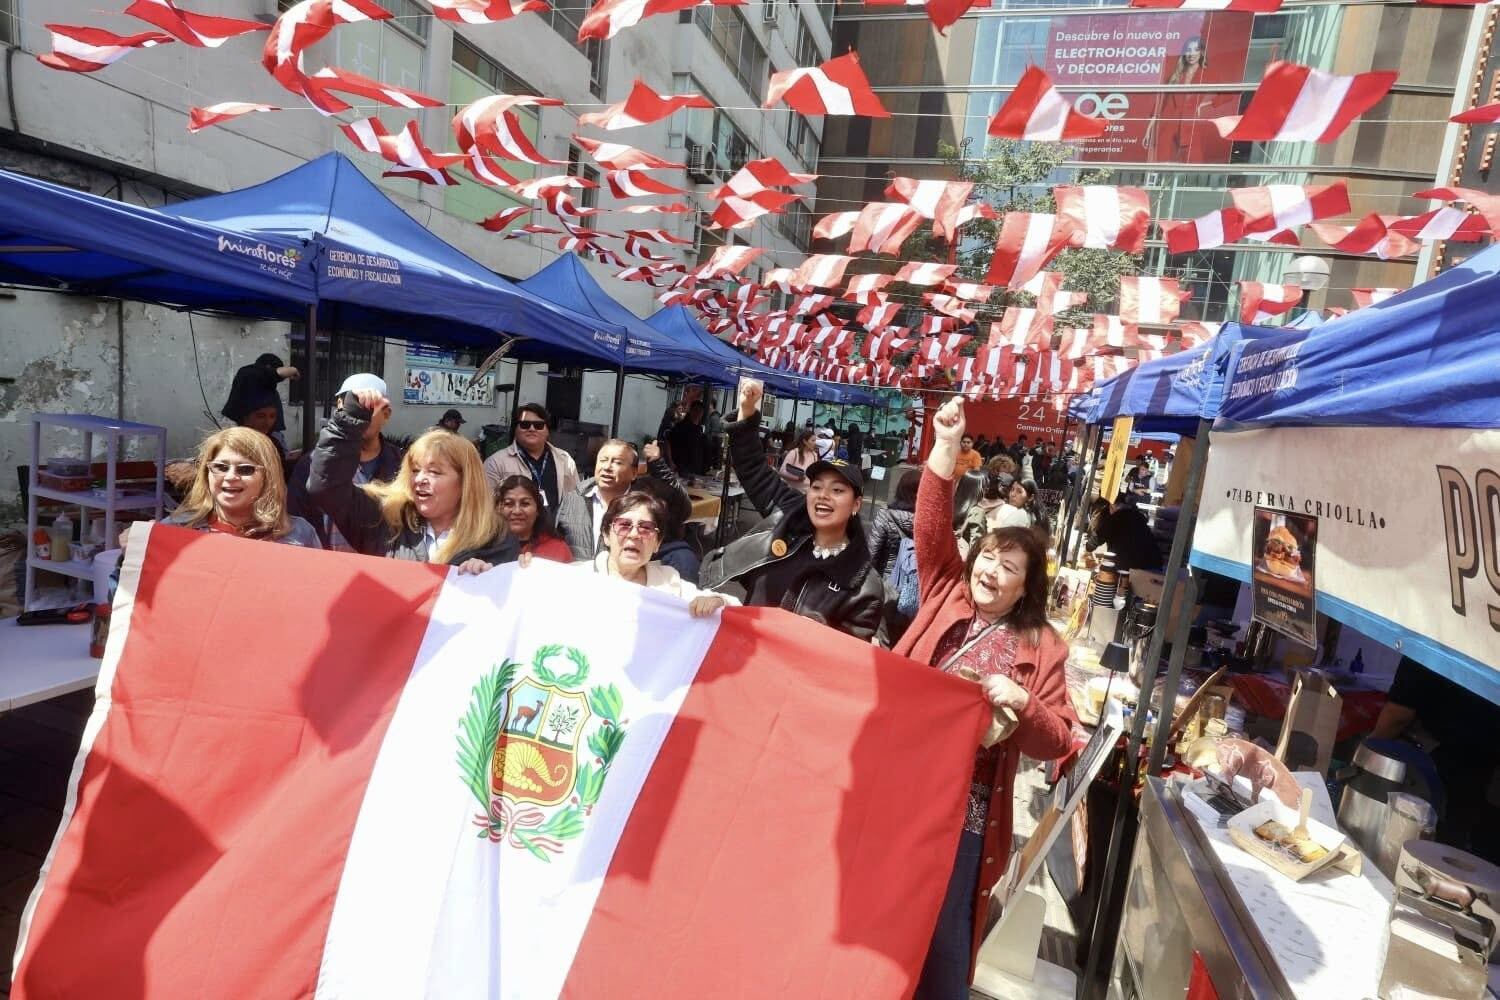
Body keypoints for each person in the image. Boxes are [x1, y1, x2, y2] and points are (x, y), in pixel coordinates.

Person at [896, 396, 1074, 998]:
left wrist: (1023, 702)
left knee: (945, 932)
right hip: (898, 784)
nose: (990, 571)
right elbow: (929, 526)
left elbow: (1058, 740)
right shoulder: (946, 590)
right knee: (882, 908)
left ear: (1027, 587)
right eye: (988, 557)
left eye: (1008, 567)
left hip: (967, 811)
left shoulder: (1044, 645)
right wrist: (946, 447)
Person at [701, 379, 885, 641]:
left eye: (837, 490)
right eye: (817, 487)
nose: (823, 495)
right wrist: (747, 410)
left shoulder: (864, 586)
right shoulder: (791, 516)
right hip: (742, 650)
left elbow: (846, 656)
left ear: (856, 504)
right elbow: (753, 469)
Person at [308, 388, 516, 570]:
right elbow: (326, 487)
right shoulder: (384, 518)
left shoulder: (496, 539)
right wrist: (350, 419)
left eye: (434, 472)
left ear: (465, 482)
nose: (420, 479)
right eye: (415, 470)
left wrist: (488, 575)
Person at [1372, 656, 1500, 864]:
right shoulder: (1485, 652)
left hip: (1430, 769)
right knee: (1450, 852)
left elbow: (1398, 716)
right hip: (1479, 768)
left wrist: (1369, 748)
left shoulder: (1425, 648)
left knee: (1407, 845)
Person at [289, 373, 403, 551]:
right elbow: (297, 519)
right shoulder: (312, 464)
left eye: (367, 406)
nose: (359, 414)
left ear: (386, 414)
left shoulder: (402, 464)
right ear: (339, 407)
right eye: (352, 405)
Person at [579, 492, 736, 617]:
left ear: (657, 543)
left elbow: (734, 606)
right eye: (624, 525)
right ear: (606, 535)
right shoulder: (579, 577)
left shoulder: (669, 581)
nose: (634, 535)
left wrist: (717, 601)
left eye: (646, 528)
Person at [162, 427, 320, 547]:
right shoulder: (172, 529)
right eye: (221, 467)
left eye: (245, 469)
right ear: (206, 473)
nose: (230, 477)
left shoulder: (300, 534)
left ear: (268, 478)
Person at [553, 438, 644, 561]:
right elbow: (553, 542)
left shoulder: (643, 509)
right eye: (603, 460)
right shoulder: (573, 499)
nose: (607, 467)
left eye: (617, 462)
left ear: (634, 473)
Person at [482, 402, 579, 511]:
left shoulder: (565, 460)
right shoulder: (495, 463)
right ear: (515, 430)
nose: (532, 429)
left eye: (538, 425)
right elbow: (487, 507)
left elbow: (575, 502)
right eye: (525, 425)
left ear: (547, 431)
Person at [496, 474, 573, 563]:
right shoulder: (487, 550)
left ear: (538, 509)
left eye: (525, 504)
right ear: (499, 509)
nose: (517, 511)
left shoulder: (558, 549)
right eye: (509, 504)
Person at [221, 353, 298, 436]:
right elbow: (271, 374)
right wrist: (293, 370)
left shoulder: (269, 389)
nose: (268, 422)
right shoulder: (248, 374)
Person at [1087, 494, 1164, 573]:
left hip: (1132, 567)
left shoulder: (1117, 517)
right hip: (1153, 564)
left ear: (1112, 507)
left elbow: (1098, 537)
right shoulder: (1137, 517)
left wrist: (1088, 547)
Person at [668, 400, 710, 476]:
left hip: (696, 470)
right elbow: (669, 444)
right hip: (682, 469)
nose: (697, 413)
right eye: (695, 410)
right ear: (690, 411)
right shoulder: (680, 427)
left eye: (700, 411)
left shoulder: (699, 430)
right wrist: (672, 462)